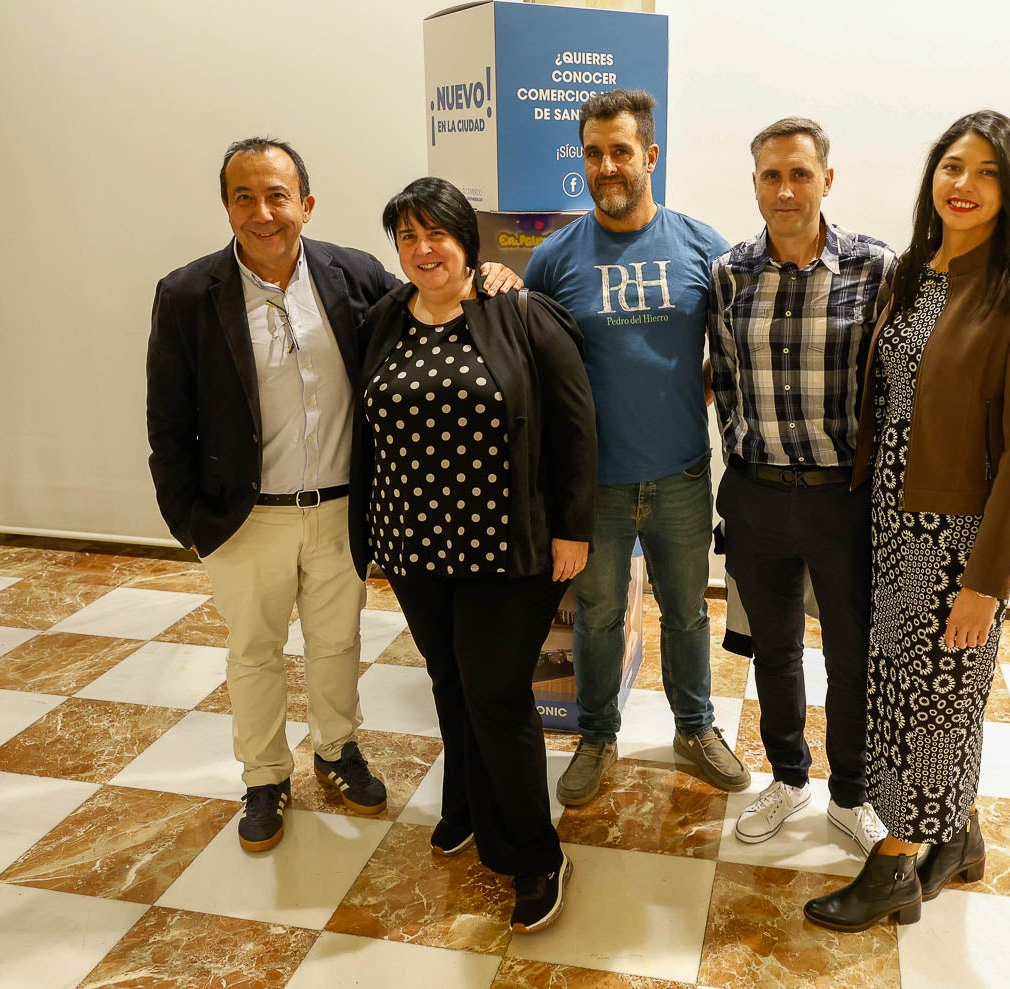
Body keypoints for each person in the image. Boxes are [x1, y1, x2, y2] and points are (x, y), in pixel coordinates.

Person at [147, 137, 516, 853]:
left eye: (277, 195)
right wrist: (188, 520)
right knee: (254, 649)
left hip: (344, 508)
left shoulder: (354, 275)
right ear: (226, 206)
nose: (263, 212)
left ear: (306, 205)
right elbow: (168, 419)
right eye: (245, 196)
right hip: (244, 517)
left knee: (336, 640)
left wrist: (488, 273)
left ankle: (337, 750)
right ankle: (263, 776)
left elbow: (432, 300)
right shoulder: (188, 294)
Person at [804, 110, 1010, 930]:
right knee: (908, 692)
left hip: (954, 537)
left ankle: (893, 866)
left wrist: (983, 583)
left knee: (932, 699)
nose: (964, 185)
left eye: (987, 172)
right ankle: (954, 832)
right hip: (889, 521)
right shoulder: (914, 274)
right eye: (953, 165)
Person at [348, 177, 596, 934]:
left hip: (506, 547)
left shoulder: (517, 311)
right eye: (408, 238)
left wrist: (572, 527)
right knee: (449, 681)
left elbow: (575, 423)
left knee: (495, 694)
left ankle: (533, 853)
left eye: (438, 235)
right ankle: (465, 806)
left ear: (468, 240)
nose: (424, 250)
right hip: (416, 543)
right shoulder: (385, 317)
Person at [525, 89, 750, 804]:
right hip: (596, 487)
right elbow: (531, 366)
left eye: (620, 151)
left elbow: (737, 345)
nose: (606, 165)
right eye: (593, 153)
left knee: (686, 612)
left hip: (681, 475)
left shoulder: (702, 246)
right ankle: (596, 735)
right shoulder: (554, 257)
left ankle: (694, 726)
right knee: (598, 617)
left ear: (649, 155)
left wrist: (704, 382)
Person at [709, 118, 897, 856]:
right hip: (756, 494)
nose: (784, 191)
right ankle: (788, 777)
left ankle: (850, 793)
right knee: (773, 649)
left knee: (851, 653)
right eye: (769, 176)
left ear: (826, 179)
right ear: (754, 181)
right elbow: (723, 376)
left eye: (798, 174)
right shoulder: (729, 273)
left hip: (840, 499)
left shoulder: (875, 267)